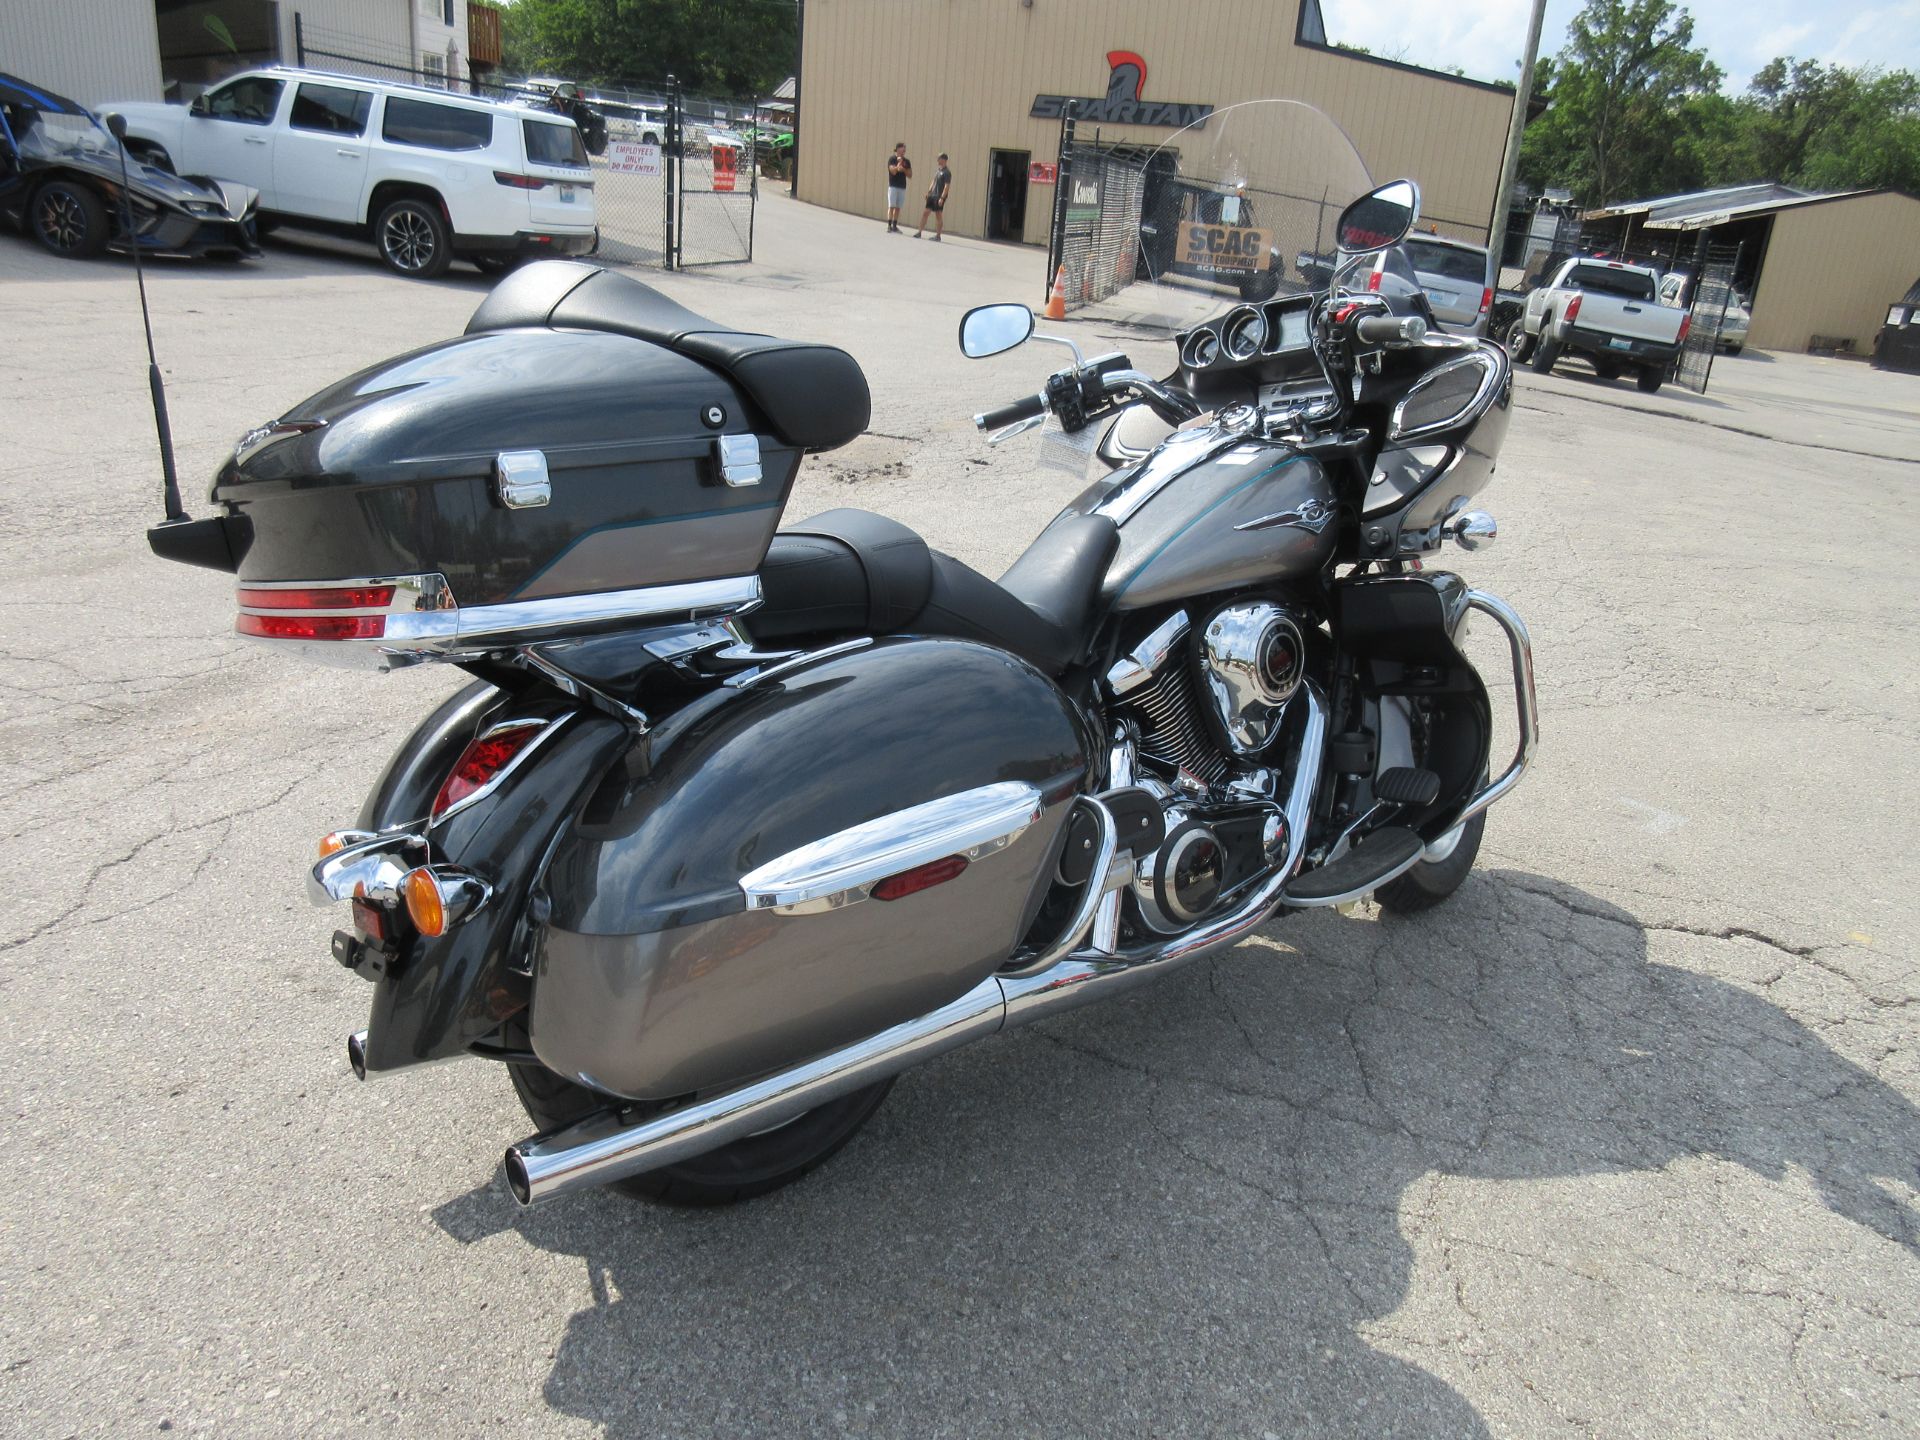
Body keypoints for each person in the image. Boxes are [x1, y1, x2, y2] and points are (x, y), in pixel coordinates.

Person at [914, 153, 952, 240]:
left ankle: (938, 236)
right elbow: (933, 181)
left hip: (939, 196)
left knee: (938, 214)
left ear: (944, 160)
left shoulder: (947, 172)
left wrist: (942, 198)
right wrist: (929, 191)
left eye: (939, 158)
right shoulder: (938, 171)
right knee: (925, 213)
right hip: (932, 195)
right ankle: (919, 232)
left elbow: (947, 186)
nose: (937, 160)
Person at [885, 142, 910, 233]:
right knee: (891, 206)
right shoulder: (892, 159)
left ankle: (895, 226)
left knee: (898, 207)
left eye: (905, 149)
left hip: (902, 186)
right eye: (903, 149)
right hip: (893, 186)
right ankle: (889, 225)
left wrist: (904, 170)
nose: (904, 151)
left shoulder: (906, 161)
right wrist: (897, 166)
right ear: (898, 149)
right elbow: (893, 171)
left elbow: (910, 175)